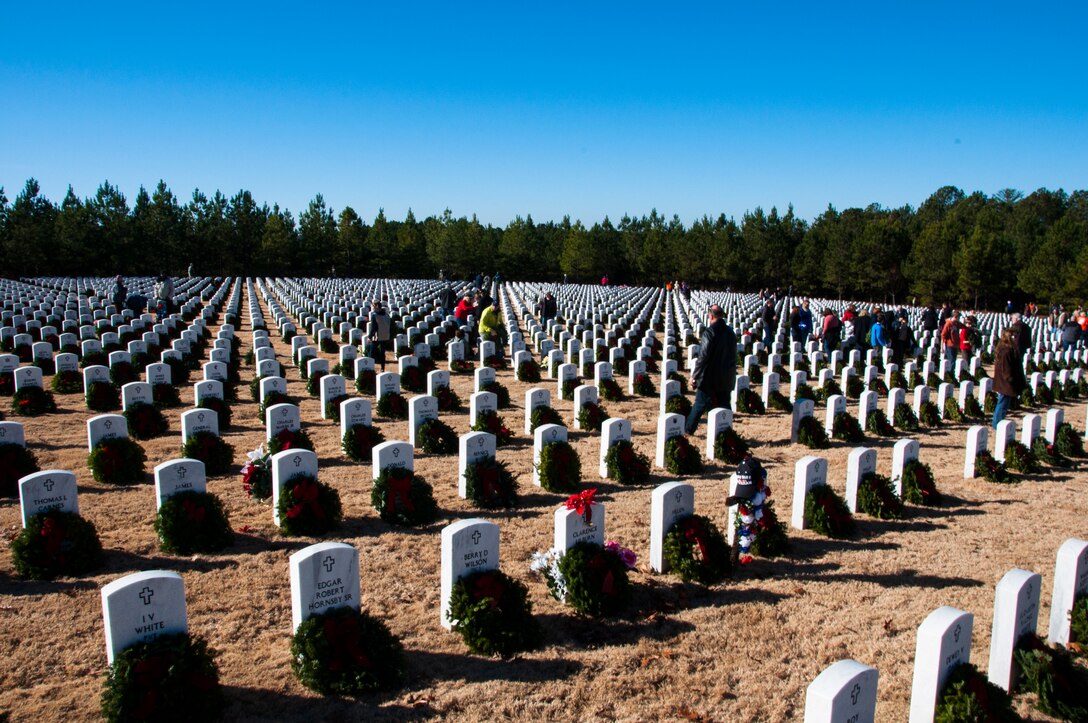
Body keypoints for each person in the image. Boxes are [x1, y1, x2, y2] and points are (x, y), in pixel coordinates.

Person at [685, 305, 736, 435]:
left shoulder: (710, 332)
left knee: (699, 404)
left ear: (711, 315)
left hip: (710, 378)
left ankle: (688, 430)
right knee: (724, 405)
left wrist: (694, 376)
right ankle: (727, 432)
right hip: (726, 377)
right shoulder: (730, 332)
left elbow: (703, 357)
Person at [992, 326, 1026, 428]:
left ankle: (998, 422)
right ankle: (997, 424)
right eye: (1014, 336)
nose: (1016, 338)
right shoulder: (1007, 351)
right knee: (1002, 404)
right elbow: (1006, 368)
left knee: (1003, 403)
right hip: (1005, 383)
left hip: (1004, 382)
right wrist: (1011, 379)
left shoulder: (1006, 349)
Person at [367, 300, 392, 372]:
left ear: (377, 306)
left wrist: (369, 337)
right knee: (382, 353)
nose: (372, 308)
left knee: (371, 352)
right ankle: (382, 368)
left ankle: (370, 368)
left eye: (373, 307)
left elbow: (374, 328)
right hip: (385, 336)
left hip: (377, 337)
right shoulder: (387, 315)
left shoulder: (374, 316)